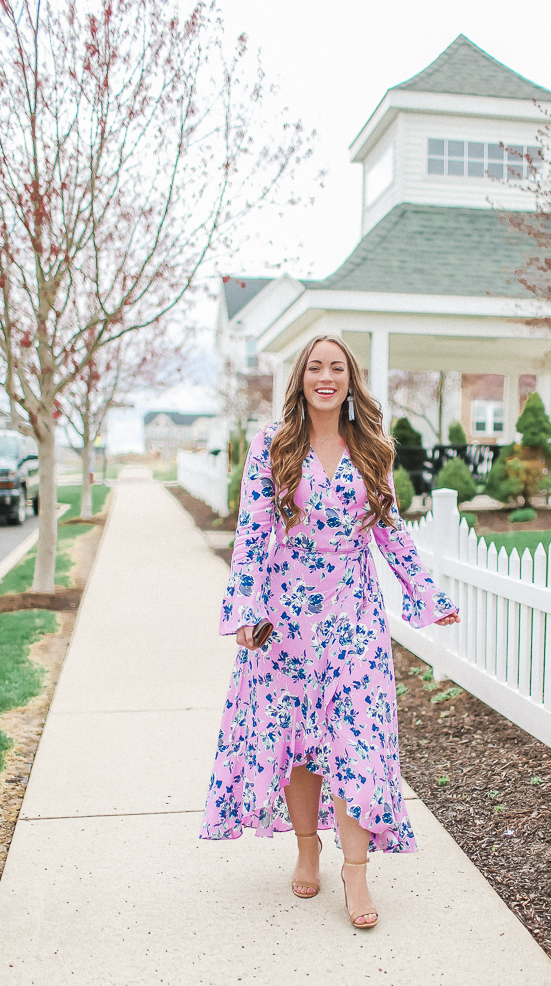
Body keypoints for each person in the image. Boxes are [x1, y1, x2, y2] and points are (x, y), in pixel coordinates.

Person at [201, 335, 459, 929]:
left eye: (336, 368)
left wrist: (426, 595)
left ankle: (356, 872)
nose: (326, 376)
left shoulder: (372, 446)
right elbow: (251, 533)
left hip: (354, 617)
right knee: (298, 741)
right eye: (315, 367)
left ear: (350, 379)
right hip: (286, 616)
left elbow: (391, 531)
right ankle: (306, 847)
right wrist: (245, 609)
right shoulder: (273, 445)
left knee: (356, 743)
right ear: (301, 377)